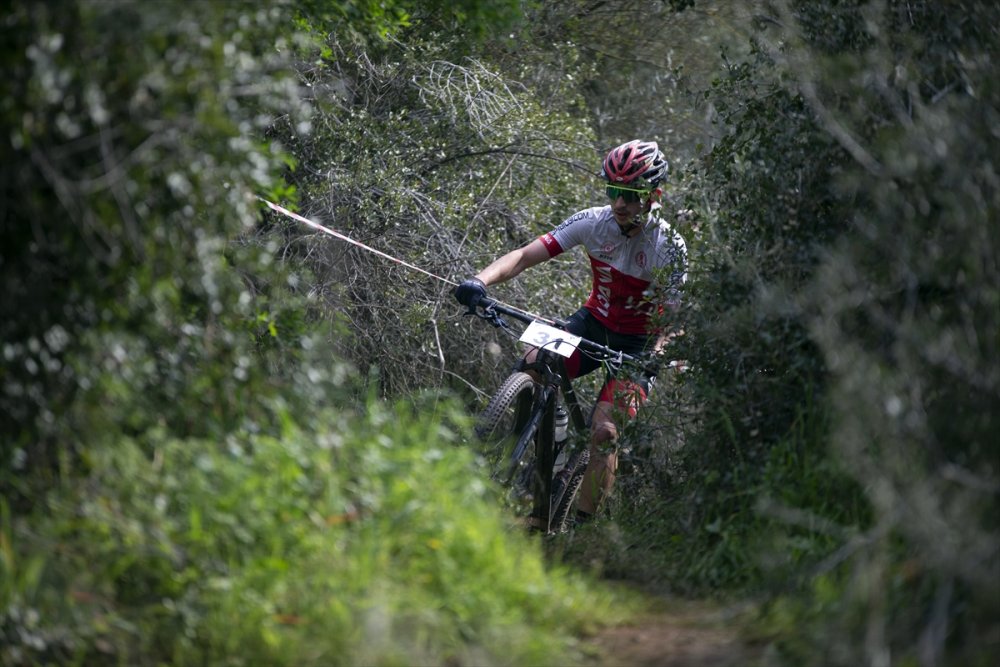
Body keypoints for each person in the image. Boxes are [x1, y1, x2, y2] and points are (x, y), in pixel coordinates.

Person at [454, 139, 688, 525]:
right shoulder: (593, 222)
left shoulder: (669, 246)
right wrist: (478, 282)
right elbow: (525, 256)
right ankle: (551, 439)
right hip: (593, 322)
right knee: (534, 359)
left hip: (639, 343)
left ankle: (578, 529)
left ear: (653, 195)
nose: (619, 204)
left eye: (630, 195)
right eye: (613, 191)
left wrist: (657, 354)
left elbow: (675, 321)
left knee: (605, 433)